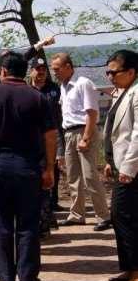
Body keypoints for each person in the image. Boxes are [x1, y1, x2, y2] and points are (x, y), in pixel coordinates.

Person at [0, 51, 57, 281]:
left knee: (2, 223)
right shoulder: (38, 98)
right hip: (29, 168)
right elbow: (50, 135)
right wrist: (49, 167)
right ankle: (28, 278)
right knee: (28, 224)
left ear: (2, 72)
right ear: (24, 71)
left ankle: (6, 276)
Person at [51, 53, 112, 231]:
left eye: (57, 69)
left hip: (84, 131)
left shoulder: (83, 83)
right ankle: (77, 214)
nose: (54, 72)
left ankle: (104, 215)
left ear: (68, 66)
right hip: (69, 133)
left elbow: (92, 113)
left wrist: (86, 137)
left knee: (90, 176)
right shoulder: (63, 86)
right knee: (73, 177)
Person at [102, 49, 138, 281]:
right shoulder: (124, 92)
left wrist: (128, 167)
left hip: (132, 169)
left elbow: (137, 134)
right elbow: (115, 131)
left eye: (114, 72)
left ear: (132, 71)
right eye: (107, 72)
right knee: (119, 216)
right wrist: (109, 160)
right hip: (120, 164)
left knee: (126, 217)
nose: (110, 76)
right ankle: (128, 268)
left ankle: (137, 273)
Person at [29, 58, 65, 213]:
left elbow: (60, 112)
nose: (41, 72)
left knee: (53, 168)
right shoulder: (27, 89)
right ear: (31, 71)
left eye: (44, 69)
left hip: (53, 133)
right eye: (38, 69)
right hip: (33, 137)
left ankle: (53, 201)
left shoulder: (54, 88)